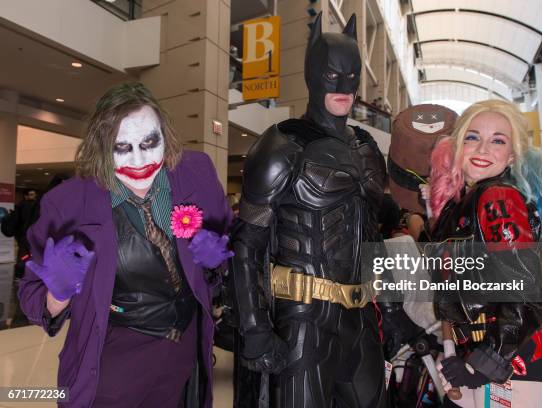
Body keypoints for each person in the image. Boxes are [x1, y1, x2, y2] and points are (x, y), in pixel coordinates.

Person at [229, 13, 410, 407]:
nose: (343, 85)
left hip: (361, 320)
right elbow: (246, 245)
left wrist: (394, 312)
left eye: (351, 76)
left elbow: (372, 238)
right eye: (331, 75)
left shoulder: (366, 148)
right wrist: (255, 326)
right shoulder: (281, 146)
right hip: (303, 320)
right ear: (313, 74)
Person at [18, 83, 233, 408]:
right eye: (122, 147)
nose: (139, 160)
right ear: (101, 147)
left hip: (183, 355)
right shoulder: (68, 203)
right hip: (113, 362)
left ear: (165, 135)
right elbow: (33, 300)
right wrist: (58, 293)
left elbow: (230, 251)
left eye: (150, 142)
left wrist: (217, 261)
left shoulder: (196, 173)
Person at [428, 100, 542, 407]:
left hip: (511, 363)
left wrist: (485, 363)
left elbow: (524, 290)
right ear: (458, 146)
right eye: (472, 137)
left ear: (512, 155)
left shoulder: (497, 197)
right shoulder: (461, 204)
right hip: (482, 357)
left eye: (497, 140)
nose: (483, 149)